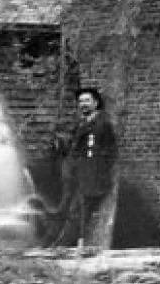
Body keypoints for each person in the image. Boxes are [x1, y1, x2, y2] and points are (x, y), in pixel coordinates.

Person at [57, 88, 117, 244]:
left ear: (95, 103)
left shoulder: (102, 124)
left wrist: (99, 174)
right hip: (79, 176)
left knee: (79, 213)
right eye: (81, 101)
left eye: (87, 101)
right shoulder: (82, 124)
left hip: (93, 178)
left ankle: (72, 246)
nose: (83, 104)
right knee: (73, 212)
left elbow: (109, 153)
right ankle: (67, 244)